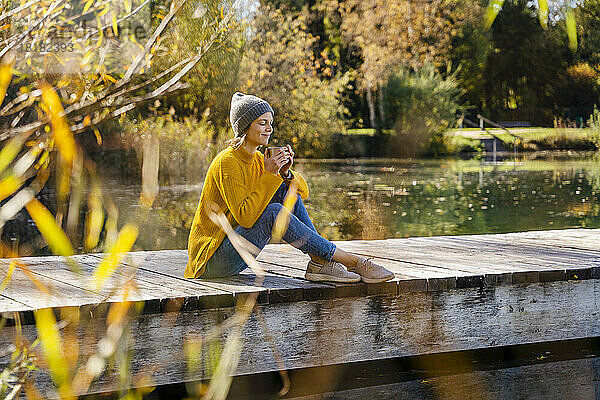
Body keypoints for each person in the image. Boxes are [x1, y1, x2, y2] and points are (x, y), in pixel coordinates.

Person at [184, 92, 394, 283]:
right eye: (262, 123)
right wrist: (269, 174)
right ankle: (352, 261)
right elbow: (246, 218)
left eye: (270, 123)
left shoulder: (258, 159)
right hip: (211, 262)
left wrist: (284, 173)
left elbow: (302, 193)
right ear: (246, 127)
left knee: (284, 190)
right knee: (274, 212)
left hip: (238, 253)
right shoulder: (227, 162)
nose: (269, 129)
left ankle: (319, 263)